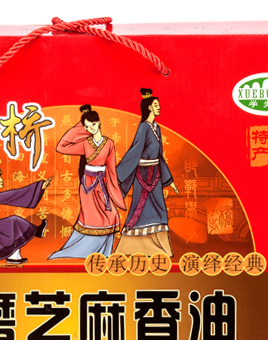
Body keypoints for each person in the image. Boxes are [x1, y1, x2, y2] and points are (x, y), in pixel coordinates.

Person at [49, 104, 125, 259]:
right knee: (92, 218)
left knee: (110, 215)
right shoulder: (85, 143)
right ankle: (86, 251)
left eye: (93, 125)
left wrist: (113, 189)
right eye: (87, 127)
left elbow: (111, 169)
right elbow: (61, 146)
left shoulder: (109, 143)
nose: (91, 129)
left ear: (99, 123)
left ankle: (104, 252)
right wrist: (80, 125)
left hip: (102, 183)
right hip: (88, 185)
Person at [116, 88, 179, 257]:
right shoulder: (144, 127)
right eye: (156, 105)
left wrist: (169, 180)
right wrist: (117, 173)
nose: (159, 107)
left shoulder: (156, 128)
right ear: (150, 107)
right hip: (142, 175)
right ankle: (129, 247)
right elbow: (135, 150)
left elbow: (160, 156)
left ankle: (162, 248)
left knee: (160, 208)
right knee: (139, 207)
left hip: (156, 174)